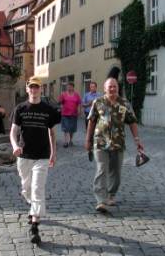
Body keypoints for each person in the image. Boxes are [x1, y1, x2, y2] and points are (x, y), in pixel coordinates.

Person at [10, 76, 60, 244]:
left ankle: (34, 226)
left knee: (37, 189)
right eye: (31, 87)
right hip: (24, 156)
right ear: (27, 89)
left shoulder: (48, 110)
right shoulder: (20, 108)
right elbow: (13, 132)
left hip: (42, 156)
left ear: (41, 89)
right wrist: (15, 145)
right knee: (26, 188)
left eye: (37, 87)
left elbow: (52, 133)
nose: (34, 90)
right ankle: (32, 206)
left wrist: (53, 153)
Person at [85, 78, 145, 213]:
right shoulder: (98, 102)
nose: (112, 89)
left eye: (115, 86)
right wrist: (87, 140)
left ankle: (111, 194)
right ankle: (101, 200)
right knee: (102, 169)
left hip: (118, 143)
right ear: (105, 88)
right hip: (100, 142)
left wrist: (137, 139)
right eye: (110, 87)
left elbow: (132, 122)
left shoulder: (124, 103)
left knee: (116, 172)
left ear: (118, 88)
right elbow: (91, 121)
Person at [58, 82, 81, 148]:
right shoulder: (63, 94)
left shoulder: (76, 95)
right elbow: (60, 102)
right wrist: (61, 106)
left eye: (70, 86)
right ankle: (66, 142)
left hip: (74, 114)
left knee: (72, 129)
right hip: (65, 114)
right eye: (68, 86)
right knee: (66, 128)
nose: (69, 88)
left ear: (73, 87)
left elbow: (79, 103)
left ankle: (70, 140)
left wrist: (79, 110)